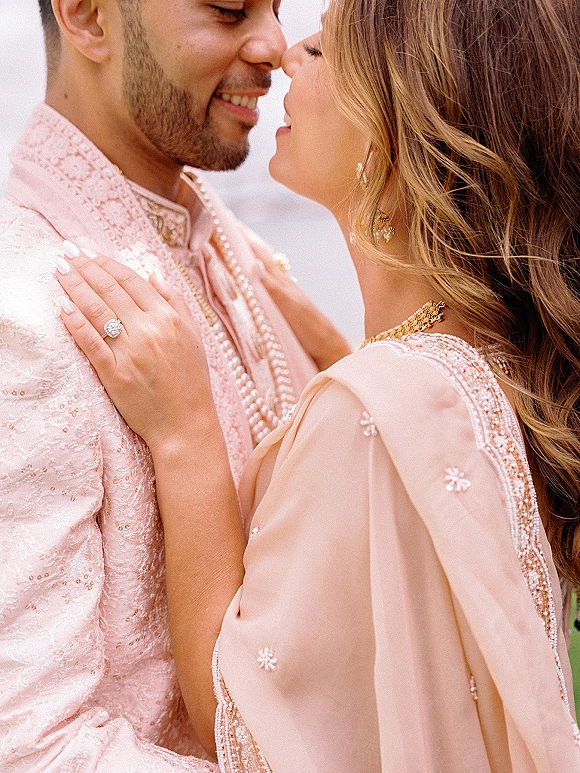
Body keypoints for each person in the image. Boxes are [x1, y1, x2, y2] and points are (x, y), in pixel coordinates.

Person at [56, 0, 580, 769]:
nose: (281, 53)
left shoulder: (373, 408)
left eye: (325, 48)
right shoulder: (502, 360)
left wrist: (185, 430)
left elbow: (241, 726)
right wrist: (340, 351)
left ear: (394, 128)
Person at [0, 1, 352, 771]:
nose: (273, 45)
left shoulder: (225, 243)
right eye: (229, 11)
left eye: (274, 6)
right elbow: (32, 747)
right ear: (89, 18)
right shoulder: (27, 315)